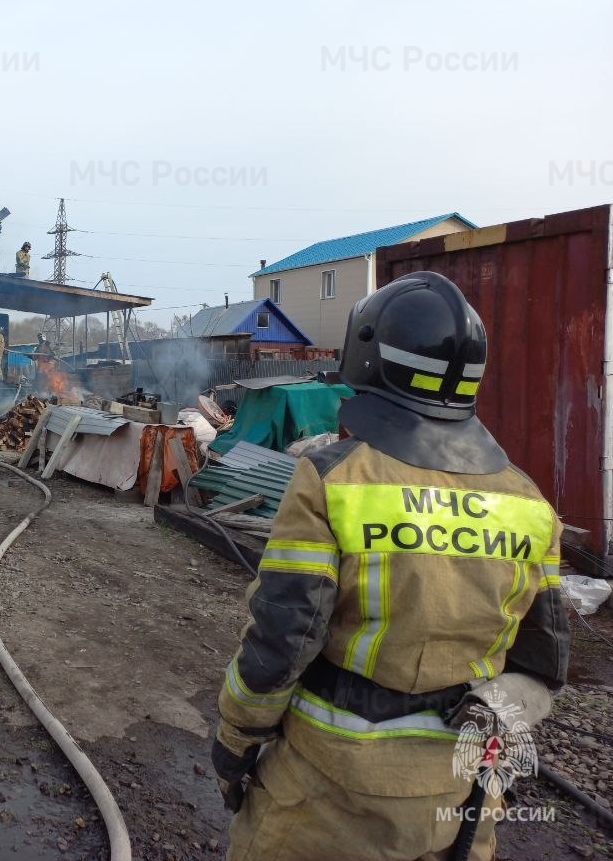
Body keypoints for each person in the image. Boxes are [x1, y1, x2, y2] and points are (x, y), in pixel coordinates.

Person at [212, 271, 568, 861]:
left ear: (370, 358)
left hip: (328, 798)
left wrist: (237, 737)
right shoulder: (529, 503)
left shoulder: (335, 477)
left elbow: (283, 639)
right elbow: (542, 660)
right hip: (459, 805)